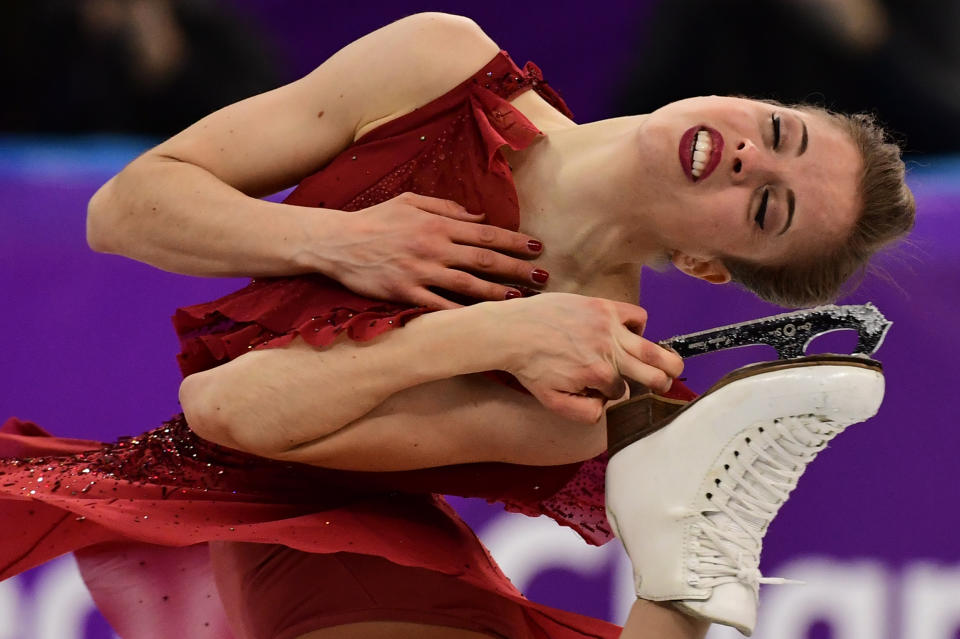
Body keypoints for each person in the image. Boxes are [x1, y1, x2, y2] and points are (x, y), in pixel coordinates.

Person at [0, 12, 913, 639]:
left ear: (710, 269)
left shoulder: (592, 379)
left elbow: (232, 411)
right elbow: (122, 210)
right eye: (779, 132)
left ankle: (694, 573)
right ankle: (691, 580)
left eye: (766, 210)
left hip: (338, 519)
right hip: (272, 521)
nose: (748, 158)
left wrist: (494, 336)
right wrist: (342, 240)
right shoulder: (438, 67)